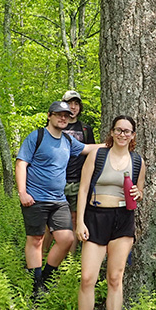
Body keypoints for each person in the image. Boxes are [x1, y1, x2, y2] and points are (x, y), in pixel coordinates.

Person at [72, 116, 146, 310]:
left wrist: (138, 194)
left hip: (123, 220)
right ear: (112, 132)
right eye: (119, 130)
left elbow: (139, 192)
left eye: (128, 131)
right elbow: (83, 189)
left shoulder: (137, 161)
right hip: (95, 217)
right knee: (87, 278)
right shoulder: (98, 155)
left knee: (115, 277)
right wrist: (80, 222)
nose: (123, 134)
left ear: (133, 135)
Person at [15, 101, 100, 298]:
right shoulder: (36, 136)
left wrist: (114, 143)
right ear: (49, 115)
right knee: (36, 239)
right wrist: (22, 192)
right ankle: (36, 286)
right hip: (35, 198)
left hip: (58, 199)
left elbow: (88, 149)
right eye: (59, 114)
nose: (63, 118)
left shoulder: (67, 141)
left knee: (67, 238)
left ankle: (45, 278)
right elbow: (21, 164)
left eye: (67, 115)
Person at [43, 91, 96, 255]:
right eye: (69, 103)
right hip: (56, 182)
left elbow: (91, 152)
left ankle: (69, 261)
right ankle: (42, 254)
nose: (73, 107)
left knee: (74, 220)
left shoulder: (85, 129)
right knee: (49, 223)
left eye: (76, 104)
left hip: (77, 182)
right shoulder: (56, 126)